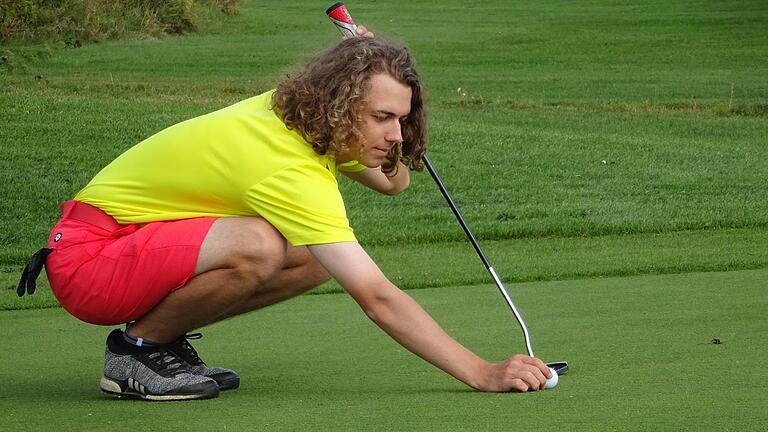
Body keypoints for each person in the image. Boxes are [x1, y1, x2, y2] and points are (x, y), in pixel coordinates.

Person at [18, 28, 553, 401]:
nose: (395, 134)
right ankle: (137, 350)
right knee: (262, 243)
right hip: (89, 262)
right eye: (382, 117)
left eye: (402, 119)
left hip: (128, 247)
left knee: (314, 257)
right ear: (341, 105)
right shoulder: (284, 167)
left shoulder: (301, 113)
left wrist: (389, 115)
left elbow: (394, 183)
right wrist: (481, 372)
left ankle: (158, 340)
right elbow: (377, 297)